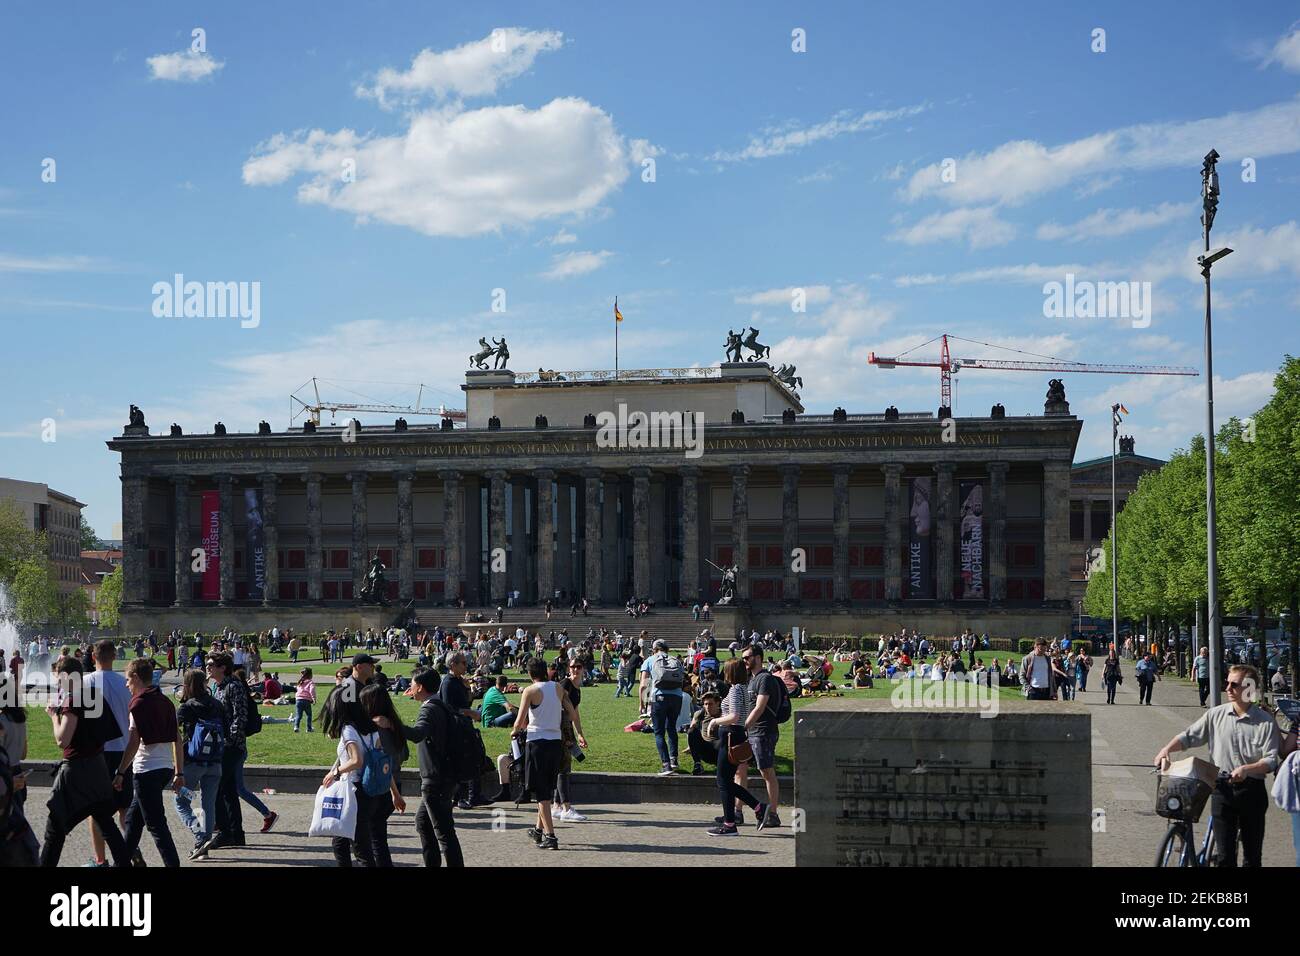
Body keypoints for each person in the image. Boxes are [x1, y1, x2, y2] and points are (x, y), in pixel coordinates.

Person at [1153, 664, 1281, 867]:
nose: (1228, 688)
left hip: (1252, 792)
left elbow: (1271, 759)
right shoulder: (1216, 715)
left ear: (1249, 688)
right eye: (1227, 683)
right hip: (1221, 789)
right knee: (1224, 856)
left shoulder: (1265, 722)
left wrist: (1247, 769)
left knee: (1252, 856)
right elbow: (1189, 737)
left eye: (1234, 684)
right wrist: (1166, 749)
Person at [39, 656, 131, 867]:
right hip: (97, 766)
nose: (57, 683)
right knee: (106, 823)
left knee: (55, 826)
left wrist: (54, 715)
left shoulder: (73, 701)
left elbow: (63, 740)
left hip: (76, 770)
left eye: (58, 678)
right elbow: (108, 731)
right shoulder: (94, 695)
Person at [373, 668, 463, 867]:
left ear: (420, 686)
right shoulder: (441, 705)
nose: (410, 688)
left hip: (436, 779)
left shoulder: (429, 708)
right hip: (444, 776)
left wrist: (391, 724)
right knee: (423, 823)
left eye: (412, 684)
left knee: (444, 833)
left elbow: (417, 734)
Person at [113, 658, 183, 868]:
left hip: (146, 769)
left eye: (127, 680)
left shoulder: (138, 703)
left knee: (156, 826)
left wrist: (120, 771)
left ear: (135, 677)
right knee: (133, 823)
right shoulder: (166, 701)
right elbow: (177, 739)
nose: (126, 685)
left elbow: (134, 742)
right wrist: (179, 772)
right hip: (164, 768)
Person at [513, 656, 585, 850]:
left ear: (529, 674)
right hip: (555, 742)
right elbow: (572, 711)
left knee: (542, 793)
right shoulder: (558, 688)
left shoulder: (530, 691)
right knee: (546, 786)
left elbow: (520, 721)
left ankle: (550, 836)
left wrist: (515, 731)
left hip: (537, 743)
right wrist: (577, 732)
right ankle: (538, 830)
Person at [80, 640, 133, 867]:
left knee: (96, 810)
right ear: (114, 656)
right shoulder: (126, 684)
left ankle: (101, 860)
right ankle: (131, 849)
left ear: (93, 657)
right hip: (124, 751)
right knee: (124, 809)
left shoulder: (85, 683)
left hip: (98, 752)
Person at [706, 660, 766, 835]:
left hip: (731, 735)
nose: (724, 673)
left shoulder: (735, 690)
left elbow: (734, 716)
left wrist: (715, 721)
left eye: (726, 670)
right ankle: (755, 808)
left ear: (731, 672)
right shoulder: (742, 689)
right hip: (737, 735)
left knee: (723, 781)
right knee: (726, 781)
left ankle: (730, 824)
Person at [174, 667, 226, 861]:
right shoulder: (217, 704)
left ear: (186, 685)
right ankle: (205, 840)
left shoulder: (187, 707)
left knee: (181, 801)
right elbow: (226, 730)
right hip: (215, 762)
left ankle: (199, 837)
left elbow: (176, 734)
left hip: (193, 762)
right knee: (208, 803)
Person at [359, 684, 408, 867]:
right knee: (378, 836)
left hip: (382, 786)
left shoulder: (375, 727)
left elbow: (381, 766)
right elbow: (404, 755)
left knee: (372, 839)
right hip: (395, 783)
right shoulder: (394, 723)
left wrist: (395, 793)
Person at [742, 642, 784, 829]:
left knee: (766, 771)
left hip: (763, 731)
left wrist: (744, 726)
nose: (744, 661)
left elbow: (760, 707)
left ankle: (773, 814)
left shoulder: (765, 679)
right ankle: (736, 812)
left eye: (747, 657)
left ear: (757, 657)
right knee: (740, 769)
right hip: (753, 731)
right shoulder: (752, 679)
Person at [440, 651, 486, 808]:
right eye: (463, 663)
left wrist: (468, 689)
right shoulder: (447, 682)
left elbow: (467, 701)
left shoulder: (460, 681)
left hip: (465, 725)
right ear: (453, 665)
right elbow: (448, 707)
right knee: (460, 760)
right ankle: (459, 797)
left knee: (475, 757)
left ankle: (474, 795)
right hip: (456, 728)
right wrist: (468, 712)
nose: (466, 666)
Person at [641, 639, 687, 775]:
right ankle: (674, 760)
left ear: (654, 649)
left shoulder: (650, 660)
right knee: (671, 728)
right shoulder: (676, 660)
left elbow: (644, 684)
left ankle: (666, 765)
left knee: (659, 732)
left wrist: (642, 703)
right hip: (677, 697)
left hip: (659, 697)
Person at [553, 659, 590, 822]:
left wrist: (580, 733)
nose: (575, 669)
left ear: (583, 669)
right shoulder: (565, 683)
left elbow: (575, 713)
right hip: (560, 728)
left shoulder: (577, 689)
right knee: (564, 767)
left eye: (578, 667)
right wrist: (566, 735)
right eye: (572, 666)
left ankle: (556, 806)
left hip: (566, 727)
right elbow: (557, 706)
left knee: (562, 765)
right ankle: (566, 808)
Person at [293, 668, 316, 732]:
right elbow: (312, 691)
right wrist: (314, 699)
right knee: (309, 715)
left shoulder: (300, 681)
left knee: (298, 715)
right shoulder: (310, 682)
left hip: (298, 700)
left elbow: (297, 689)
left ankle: (296, 727)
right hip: (306, 700)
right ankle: (309, 728)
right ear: (310, 675)